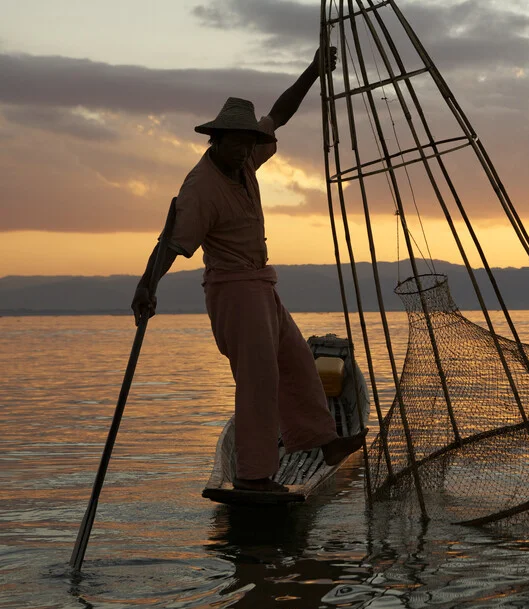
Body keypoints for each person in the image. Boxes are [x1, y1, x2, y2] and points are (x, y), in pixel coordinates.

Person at [131, 46, 364, 493]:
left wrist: (314, 71)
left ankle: (321, 440)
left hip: (260, 284)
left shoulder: (246, 161)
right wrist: (146, 287)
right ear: (215, 140)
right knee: (259, 379)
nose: (243, 149)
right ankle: (255, 476)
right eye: (235, 142)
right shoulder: (202, 188)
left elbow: (279, 112)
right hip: (233, 291)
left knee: (297, 362)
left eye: (248, 142)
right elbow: (171, 244)